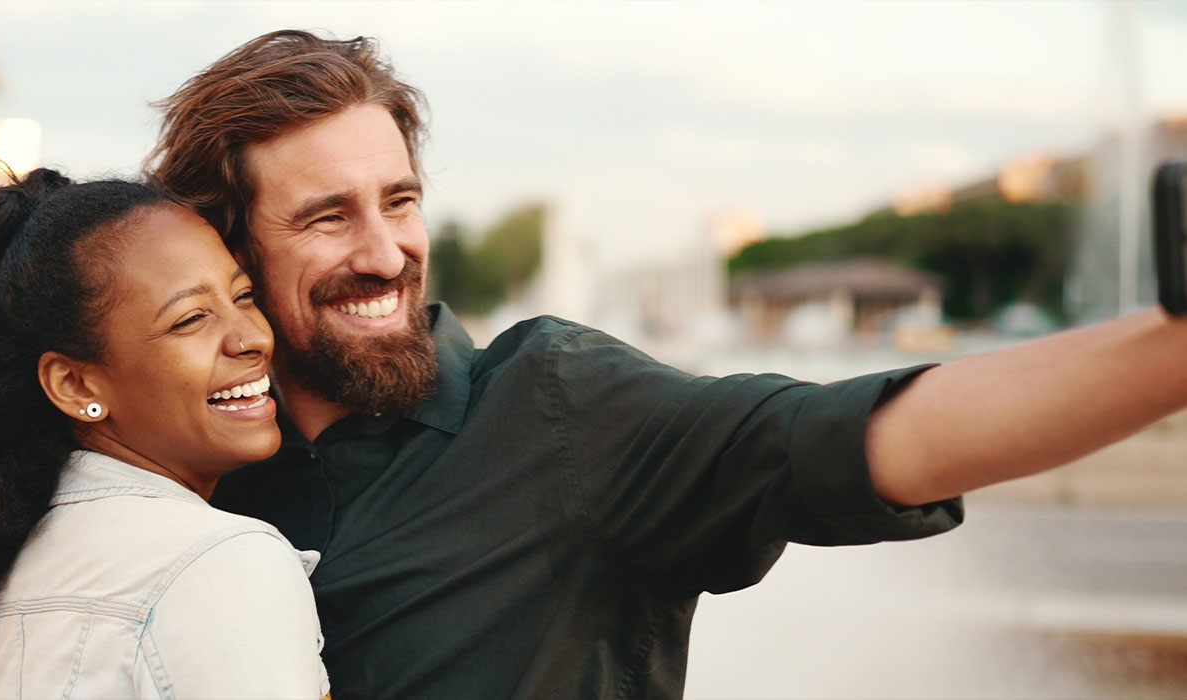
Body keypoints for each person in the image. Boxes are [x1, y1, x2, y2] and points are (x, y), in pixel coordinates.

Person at [145, 29, 1187, 699]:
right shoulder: (182, 469)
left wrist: (1174, 346)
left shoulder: (559, 406)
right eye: (328, 216)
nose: (383, 252)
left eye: (400, 201)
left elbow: (877, 436)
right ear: (228, 249)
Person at [0, 169, 329, 698]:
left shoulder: (43, 557)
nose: (253, 338)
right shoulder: (221, 561)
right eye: (190, 319)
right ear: (75, 384)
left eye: (243, 296)